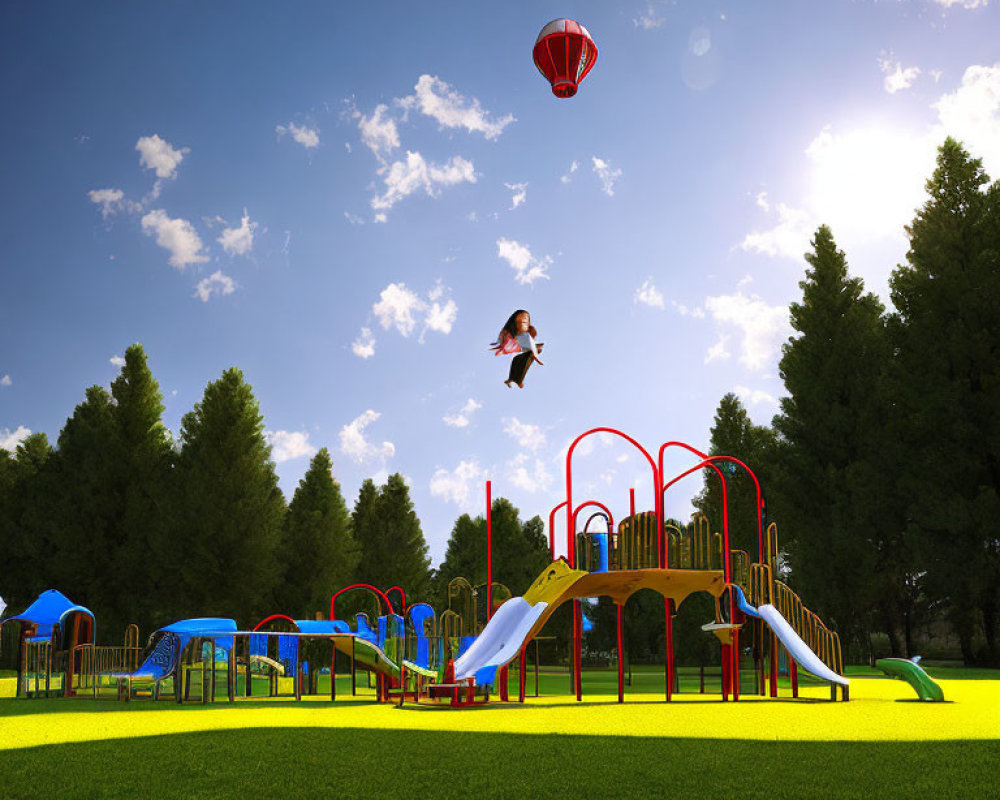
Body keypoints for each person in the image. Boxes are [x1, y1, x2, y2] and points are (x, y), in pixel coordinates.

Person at [490, 309, 544, 388]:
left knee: (518, 359)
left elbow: (530, 345)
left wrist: (537, 349)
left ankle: (515, 380)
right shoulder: (521, 337)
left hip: (525, 352)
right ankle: (513, 380)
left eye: (526, 321)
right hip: (525, 350)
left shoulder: (527, 339)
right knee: (520, 358)